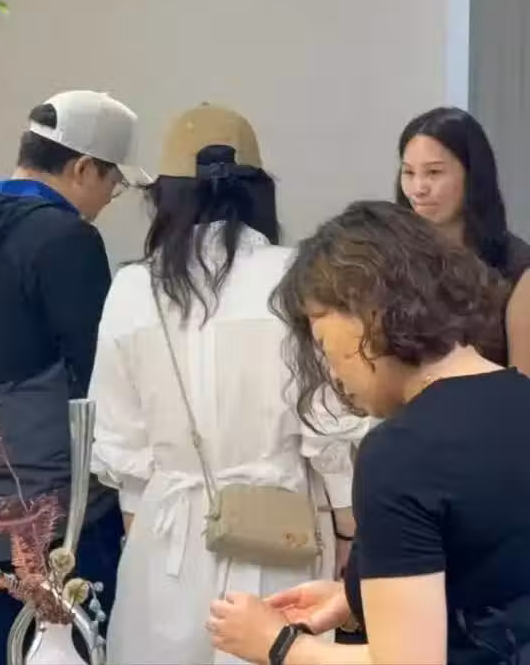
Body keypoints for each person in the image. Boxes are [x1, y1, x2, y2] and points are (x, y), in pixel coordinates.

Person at [89, 103, 372, 665]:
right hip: (283, 535)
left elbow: (122, 448)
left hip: (167, 537)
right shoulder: (298, 279)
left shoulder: (132, 289)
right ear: (257, 191)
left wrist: (144, 540)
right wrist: (347, 535)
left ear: (166, 196)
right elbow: (330, 431)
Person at [207, 201, 530, 665]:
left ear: (367, 314)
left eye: (323, 344)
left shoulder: (399, 454)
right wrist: (359, 594)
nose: (331, 371)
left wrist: (277, 644)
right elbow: (488, 570)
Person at [0, 90, 146, 663]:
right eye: (113, 182)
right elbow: (99, 376)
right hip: (59, 514)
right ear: (83, 168)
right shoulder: (67, 240)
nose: (109, 198)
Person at [396, 106, 530, 374]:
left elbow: (522, 387)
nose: (418, 189)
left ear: (473, 176)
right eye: (409, 173)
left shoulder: (516, 268)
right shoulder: (393, 254)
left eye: (434, 173)